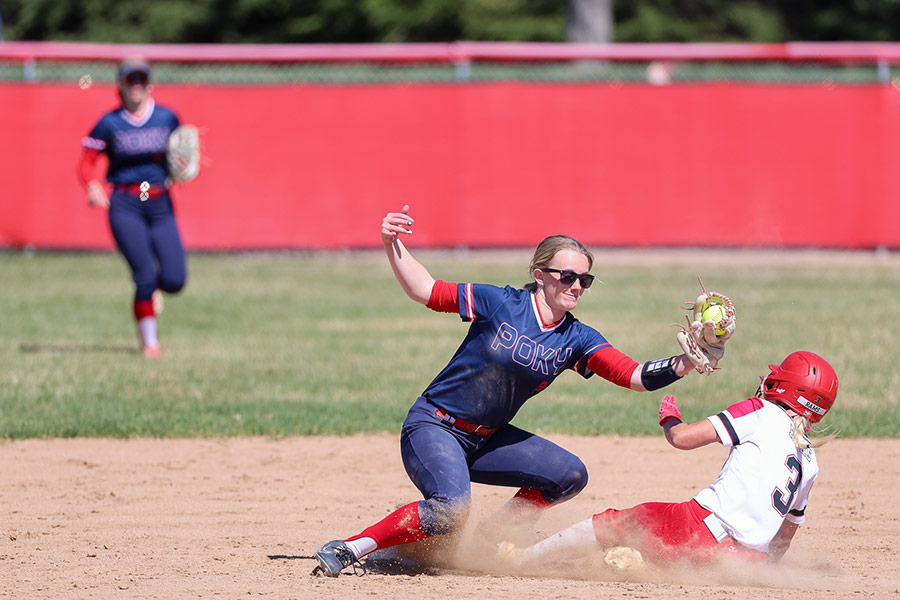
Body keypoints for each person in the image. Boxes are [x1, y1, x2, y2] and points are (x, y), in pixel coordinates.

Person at [311, 204, 733, 577]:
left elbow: (634, 375)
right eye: (567, 276)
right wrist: (391, 243)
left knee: (568, 475)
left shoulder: (577, 338)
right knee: (449, 509)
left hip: (486, 438)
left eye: (585, 279)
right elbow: (427, 290)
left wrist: (683, 363)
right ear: (539, 275)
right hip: (434, 426)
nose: (576, 286)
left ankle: (492, 537)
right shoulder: (500, 303)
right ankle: (351, 548)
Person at [507, 350, 838, 569]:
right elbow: (784, 536)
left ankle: (524, 559)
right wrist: (764, 571)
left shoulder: (760, 411)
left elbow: (682, 439)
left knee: (619, 522)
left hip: (698, 528)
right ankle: (640, 562)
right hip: (742, 561)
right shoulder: (810, 461)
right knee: (662, 545)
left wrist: (669, 417)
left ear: (781, 385)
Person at [77, 57, 189, 357]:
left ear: (150, 85)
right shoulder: (109, 123)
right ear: (121, 86)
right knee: (144, 276)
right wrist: (91, 185)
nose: (136, 85)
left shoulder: (166, 118)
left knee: (175, 279)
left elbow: (182, 155)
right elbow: (86, 162)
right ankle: (150, 343)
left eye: (141, 80)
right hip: (128, 200)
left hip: (157, 199)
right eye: (130, 80)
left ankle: (155, 290)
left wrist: (184, 166)